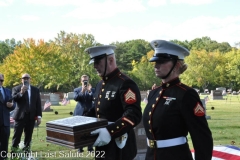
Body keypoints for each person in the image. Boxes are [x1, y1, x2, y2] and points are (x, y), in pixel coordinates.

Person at [143, 40, 213, 160]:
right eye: (155, 62)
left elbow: (202, 137)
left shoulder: (186, 94)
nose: (156, 65)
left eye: (162, 61)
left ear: (177, 65)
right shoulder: (154, 93)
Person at [84, 45, 142, 160]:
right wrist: (80, 120)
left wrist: (110, 131)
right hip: (102, 145)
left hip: (120, 147)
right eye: (94, 62)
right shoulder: (100, 84)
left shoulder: (125, 83)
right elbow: (98, 110)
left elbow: (133, 114)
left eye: (98, 61)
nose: (95, 66)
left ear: (110, 60)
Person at [11, 73, 42, 153]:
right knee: (16, 137)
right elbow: (14, 99)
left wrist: (39, 116)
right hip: (20, 117)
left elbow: (38, 103)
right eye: (24, 78)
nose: (26, 79)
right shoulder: (16, 89)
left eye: (27, 78)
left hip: (31, 117)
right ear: (21, 80)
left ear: (30, 79)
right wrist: (21, 92)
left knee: (28, 137)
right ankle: (14, 155)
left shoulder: (35, 90)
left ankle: (27, 154)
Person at [73, 74, 94, 152]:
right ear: (81, 81)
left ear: (88, 81)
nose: (85, 82)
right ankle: (80, 148)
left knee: (90, 130)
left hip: (89, 112)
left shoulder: (92, 89)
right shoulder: (77, 90)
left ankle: (90, 148)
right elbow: (76, 98)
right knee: (79, 131)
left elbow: (94, 98)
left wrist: (89, 91)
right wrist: (82, 91)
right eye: (83, 81)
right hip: (80, 112)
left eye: (86, 80)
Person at [0, 73, 15, 160]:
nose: (0, 82)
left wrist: (11, 105)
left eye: (1, 80)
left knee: (4, 144)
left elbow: (13, 105)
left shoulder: (8, 91)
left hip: (5, 123)